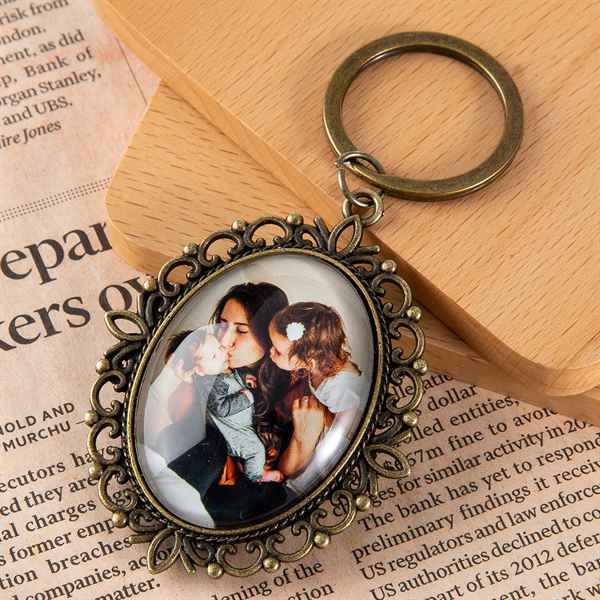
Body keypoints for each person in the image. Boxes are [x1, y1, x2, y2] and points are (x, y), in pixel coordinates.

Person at [268, 302, 364, 478]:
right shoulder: (317, 368)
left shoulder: (336, 386)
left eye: (278, 351)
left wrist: (327, 439)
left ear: (308, 360)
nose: (270, 352)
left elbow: (350, 422)